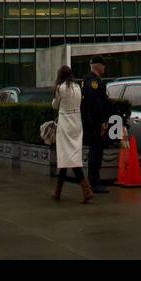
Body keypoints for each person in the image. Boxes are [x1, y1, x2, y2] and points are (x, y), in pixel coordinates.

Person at [52, 64, 92, 202]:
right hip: (76, 123)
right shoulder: (77, 87)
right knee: (71, 156)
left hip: (65, 125)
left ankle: (86, 191)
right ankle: (57, 192)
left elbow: (55, 105)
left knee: (66, 157)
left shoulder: (60, 88)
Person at [81, 55, 110, 193]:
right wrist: (101, 123)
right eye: (103, 64)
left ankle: (94, 181)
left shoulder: (88, 80)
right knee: (96, 152)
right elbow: (96, 105)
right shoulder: (93, 82)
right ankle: (94, 182)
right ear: (97, 65)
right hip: (95, 124)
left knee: (96, 151)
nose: (104, 67)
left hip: (92, 123)